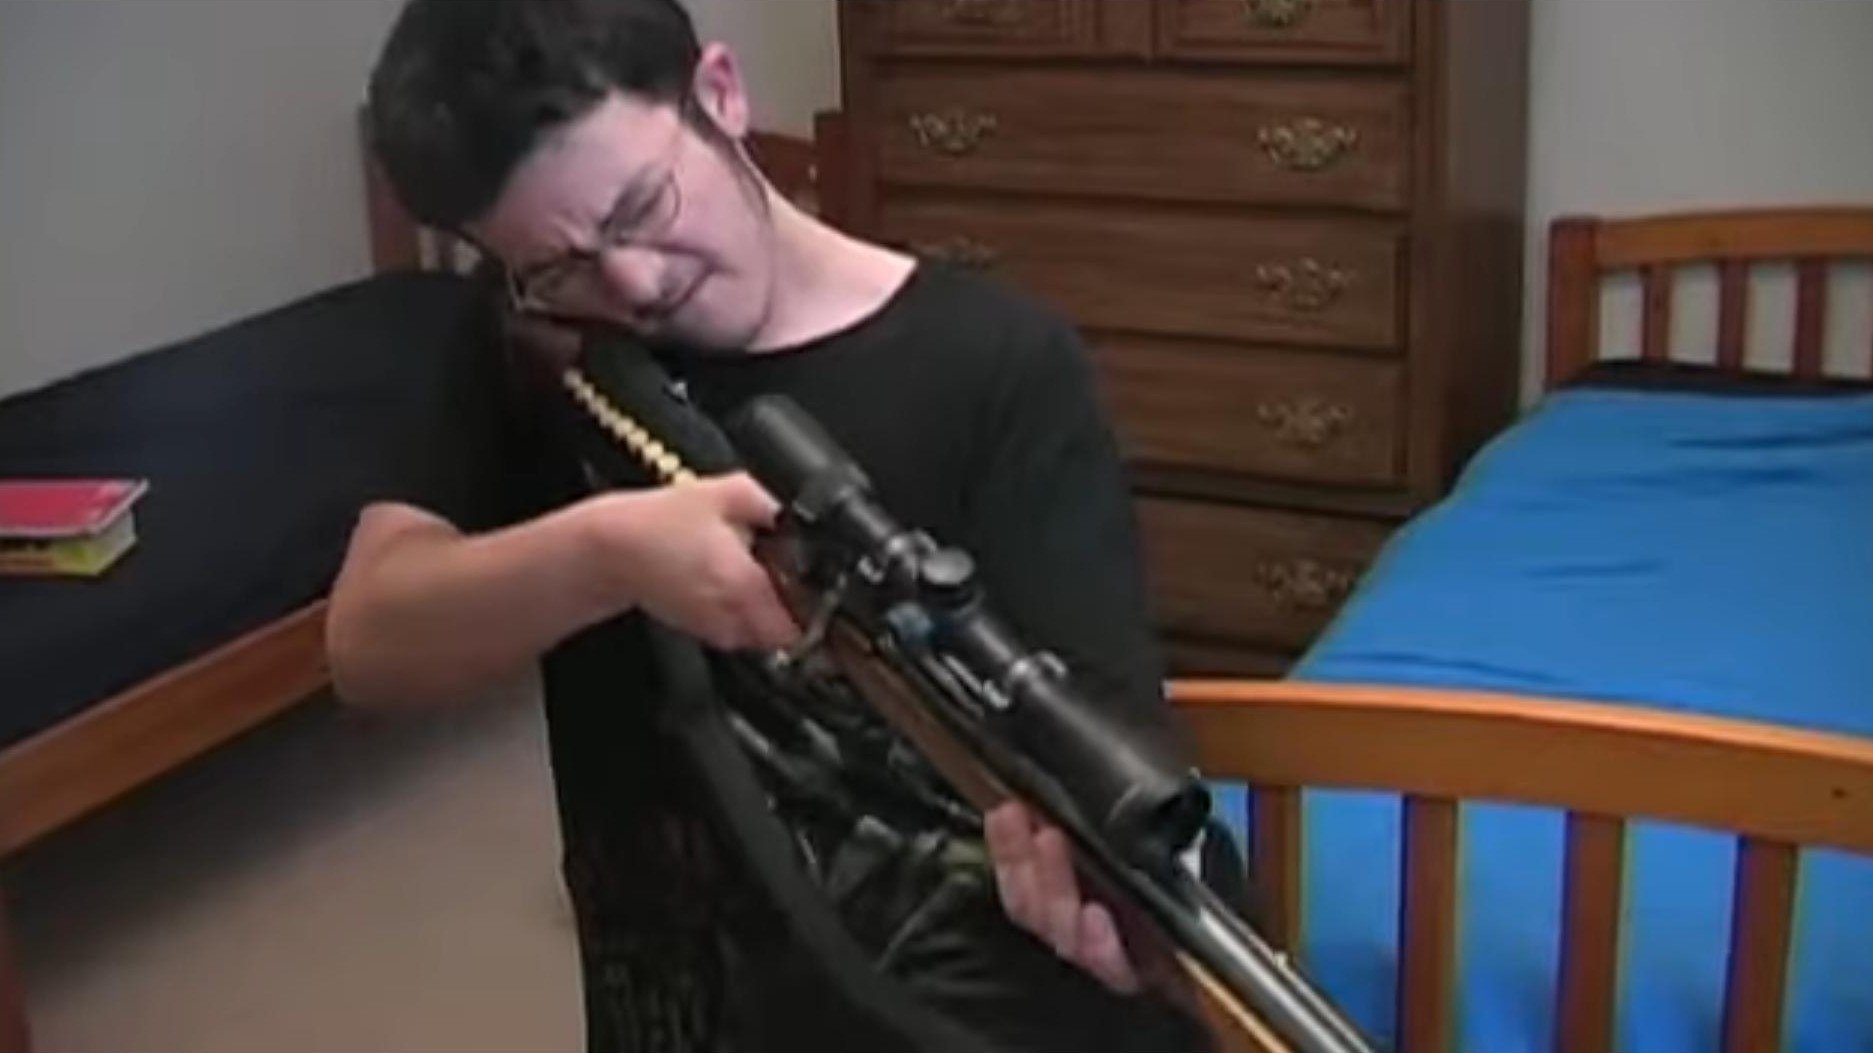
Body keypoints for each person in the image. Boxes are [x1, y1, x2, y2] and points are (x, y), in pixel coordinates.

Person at [330, 1, 1213, 1050]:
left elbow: (1109, 738)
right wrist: (609, 553)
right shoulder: (529, 337)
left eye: (641, 205)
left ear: (720, 93)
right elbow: (368, 643)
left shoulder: (999, 363)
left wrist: (1099, 905)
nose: (635, 284)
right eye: (560, 264)